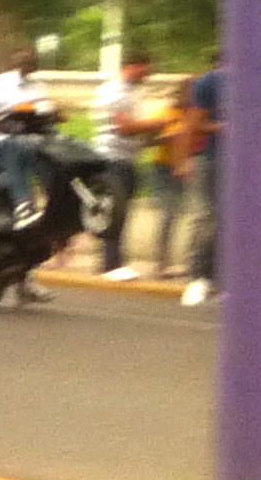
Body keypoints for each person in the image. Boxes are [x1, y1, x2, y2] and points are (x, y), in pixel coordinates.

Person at [93, 50, 173, 277]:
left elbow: (132, 130)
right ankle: (111, 264)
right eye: (144, 69)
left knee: (121, 212)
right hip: (113, 159)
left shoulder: (129, 92)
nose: (147, 75)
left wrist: (154, 137)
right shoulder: (116, 91)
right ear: (132, 65)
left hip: (126, 158)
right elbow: (124, 128)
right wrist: (157, 122)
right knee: (114, 212)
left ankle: (114, 261)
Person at [178, 61, 224, 306]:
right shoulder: (210, 82)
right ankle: (198, 278)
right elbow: (193, 124)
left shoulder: (257, 84)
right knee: (207, 218)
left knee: (231, 223)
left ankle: (220, 280)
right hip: (213, 159)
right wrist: (185, 159)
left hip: (246, 165)